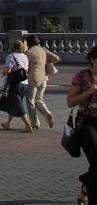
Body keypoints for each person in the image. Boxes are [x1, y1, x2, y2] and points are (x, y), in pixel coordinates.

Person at [68, 45, 97, 205]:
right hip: (87, 122)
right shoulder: (82, 76)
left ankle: (86, 185)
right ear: (93, 59)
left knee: (95, 164)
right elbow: (70, 101)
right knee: (96, 158)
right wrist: (89, 92)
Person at [0, 40, 32, 133]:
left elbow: (8, 70)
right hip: (25, 83)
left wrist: (3, 74)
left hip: (16, 84)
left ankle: (28, 126)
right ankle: (7, 123)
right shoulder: (25, 56)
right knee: (13, 102)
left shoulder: (11, 56)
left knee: (18, 105)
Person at [25, 33, 60, 130]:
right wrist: (48, 62)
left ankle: (35, 123)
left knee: (30, 101)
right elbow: (57, 58)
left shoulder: (28, 53)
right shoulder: (43, 50)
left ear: (28, 43)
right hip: (43, 78)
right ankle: (47, 114)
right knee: (39, 100)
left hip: (32, 79)